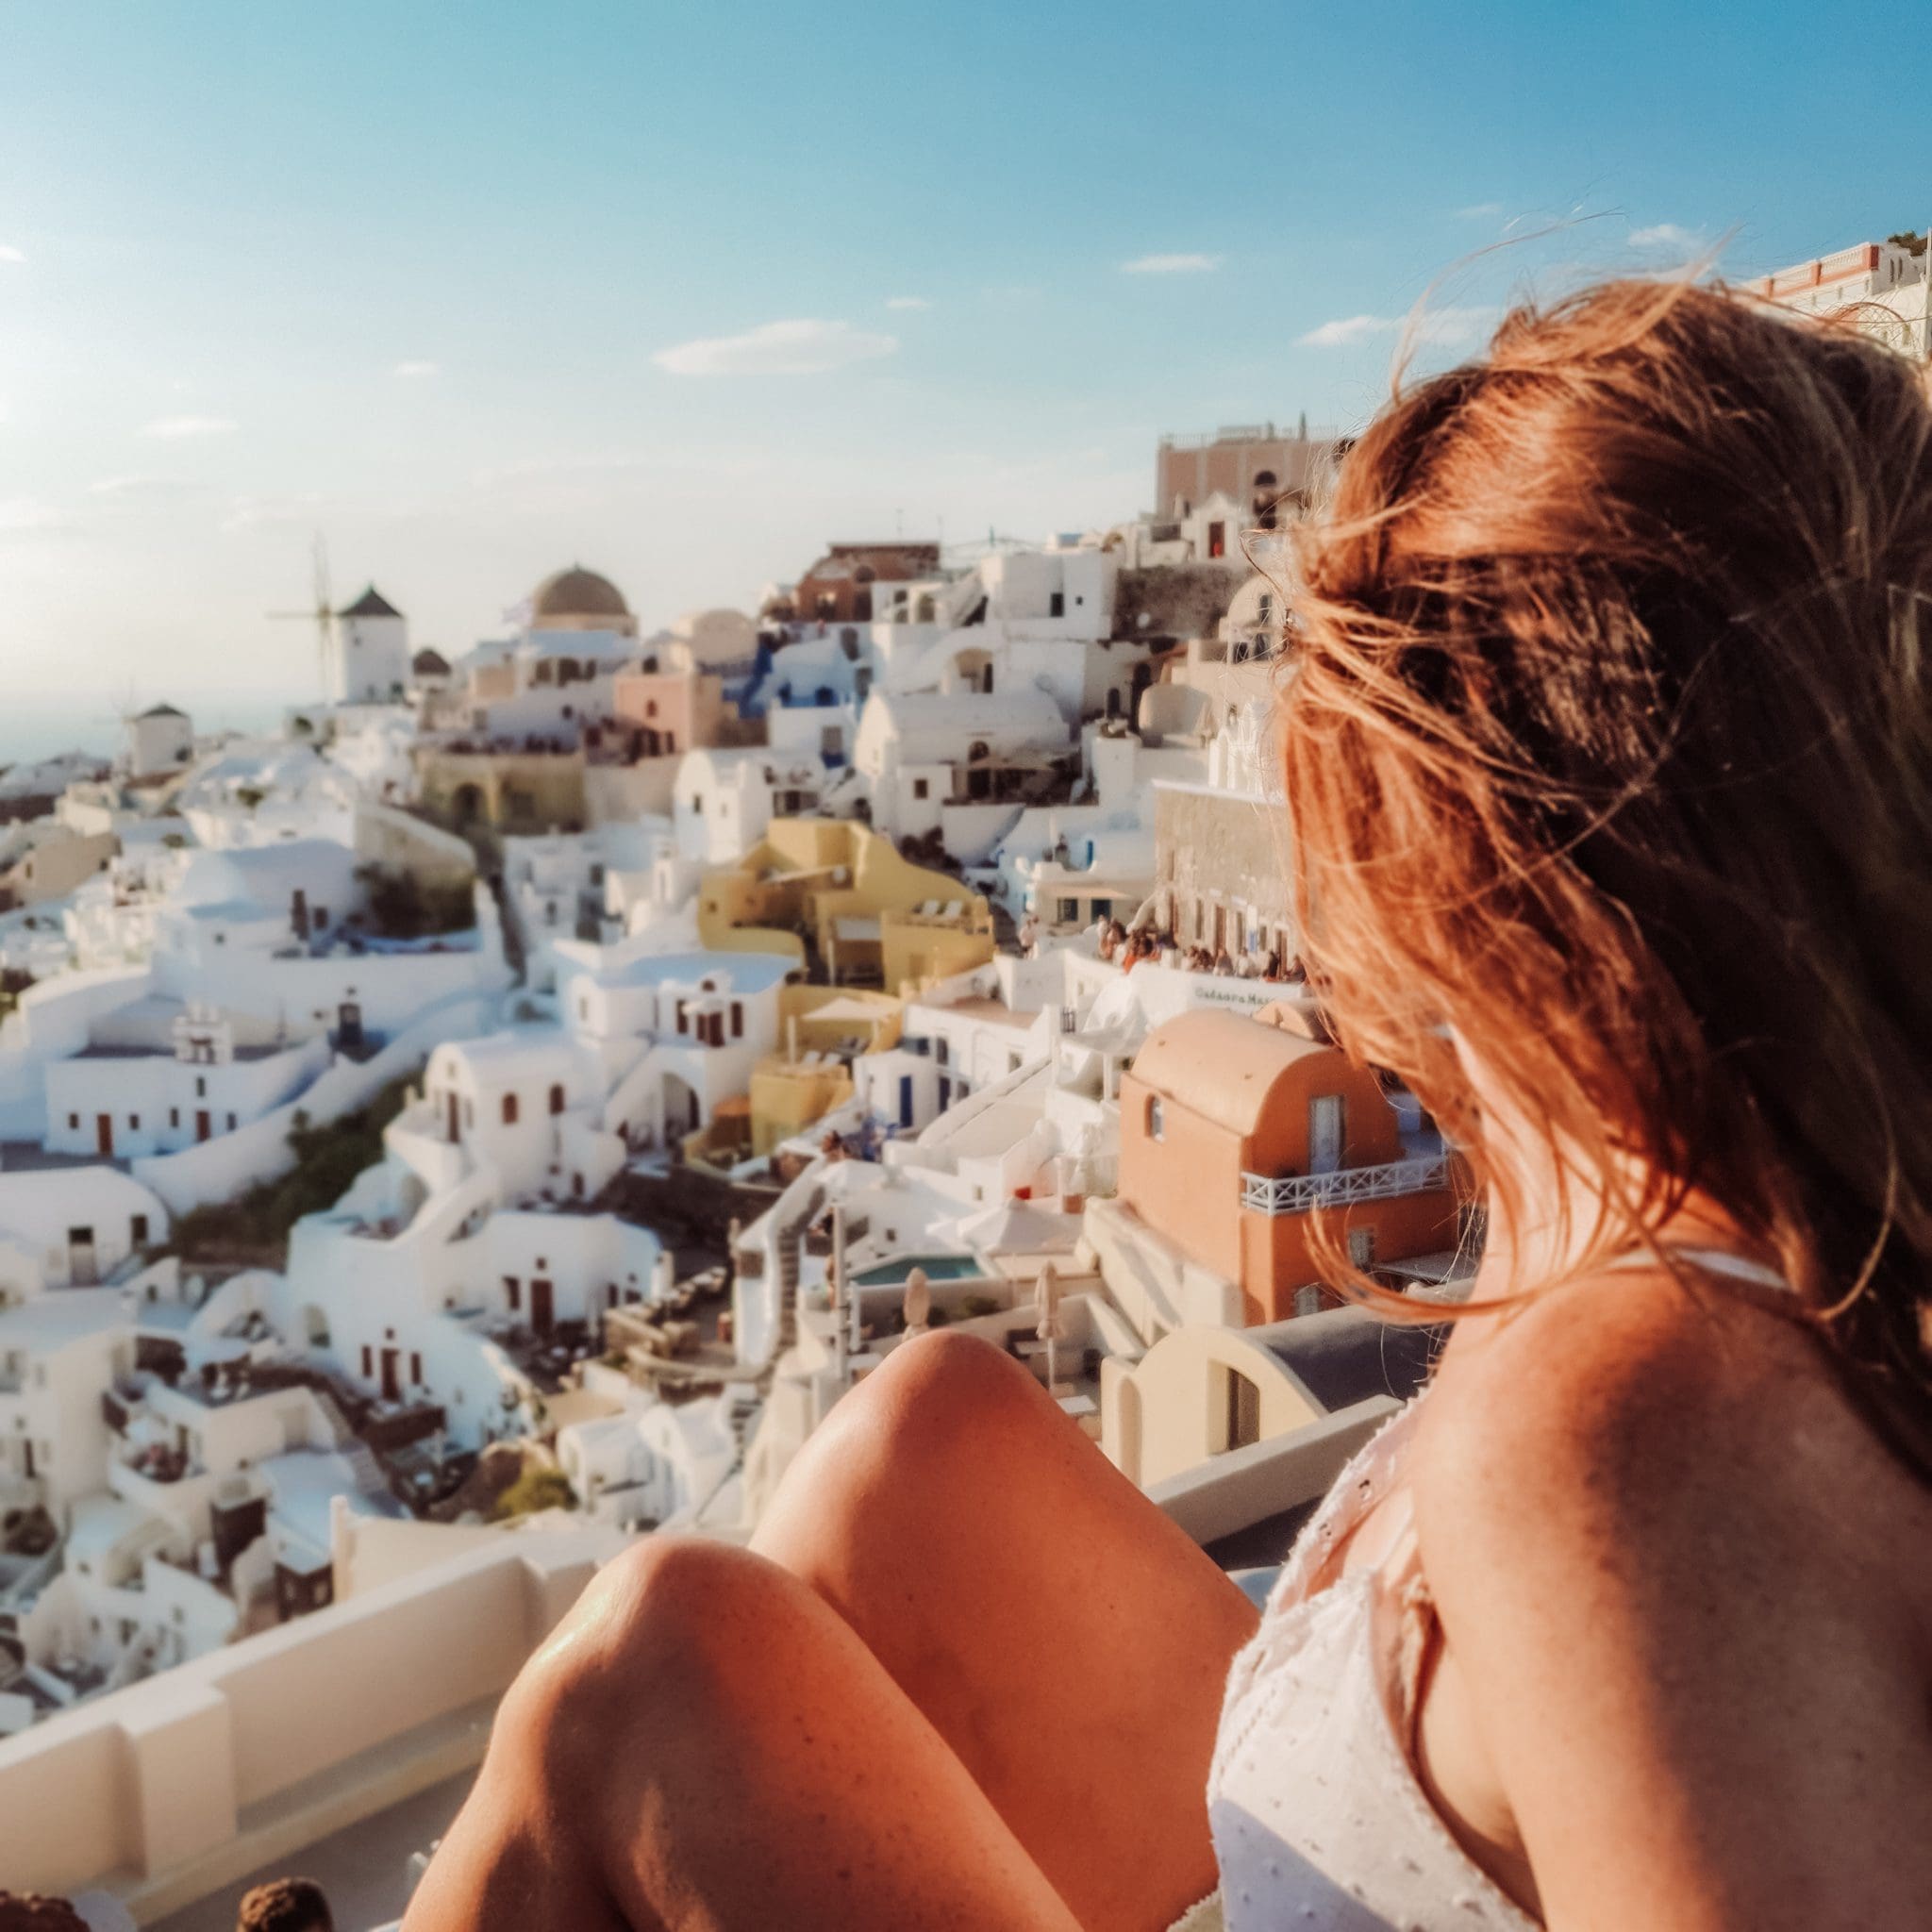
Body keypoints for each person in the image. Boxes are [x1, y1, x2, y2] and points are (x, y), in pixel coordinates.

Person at [403, 279, 1932, 1931]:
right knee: (927, 1448)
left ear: (1449, 840)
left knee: (643, 1675)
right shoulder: (1728, 1249)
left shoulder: (1644, 1426)